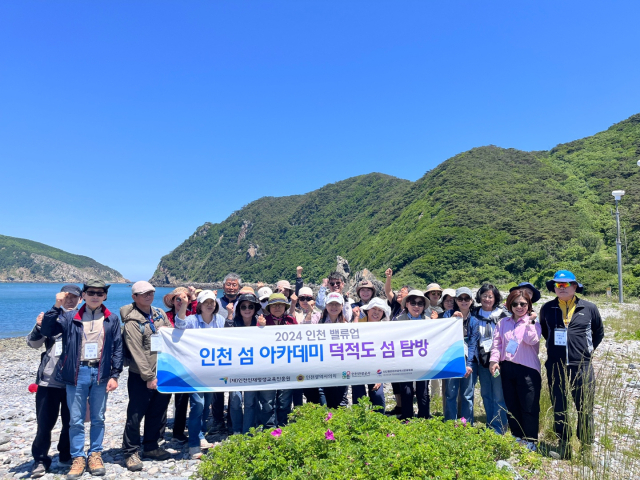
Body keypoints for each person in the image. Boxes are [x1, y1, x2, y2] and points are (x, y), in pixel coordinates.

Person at [41, 280, 123, 480]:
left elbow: (118, 348)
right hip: (77, 373)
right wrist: (56, 306)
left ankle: (95, 454)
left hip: (100, 373)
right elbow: (47, 330)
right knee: (75, 420)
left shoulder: (111, 319)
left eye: (100, 293)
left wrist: (115, 375)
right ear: (83, 295)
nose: (95, 296)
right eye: (91, 292)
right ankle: (78, 457)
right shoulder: (70, 317)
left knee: (98, 418)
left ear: (104, 296)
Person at [540, 270, 604, 460]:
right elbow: (545, 331)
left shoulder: (589, 308)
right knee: (559, 403)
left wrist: (586, 351)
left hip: (581, 364)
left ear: (575, 286)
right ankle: (564, 444)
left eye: (565, 285)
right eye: (557, 285)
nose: (560, 288)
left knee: (584, 405)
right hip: (556, 363)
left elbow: (598, 333)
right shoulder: (547, 308)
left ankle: (586, 447)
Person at [28, 285, 80, 478]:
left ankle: (66, 454)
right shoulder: (51, 317)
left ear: (80, 299)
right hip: (48, 383)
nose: (70, 300)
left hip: (73, 382)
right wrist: (39, 325)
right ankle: (40, 460)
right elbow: (33, 343)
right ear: (59, 297)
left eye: (74, 297)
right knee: (44, 424)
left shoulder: (82, 319)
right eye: (66, 296)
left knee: (71, 422)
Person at [120, 281, 172, 471]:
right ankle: (130, 451)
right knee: (135, 414)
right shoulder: (132, 322)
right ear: (134, 297)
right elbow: (137, 352)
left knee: (157, 413)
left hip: (163, 372)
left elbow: (169, 333)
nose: (148, 296)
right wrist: (149, 377)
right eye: (143, 294)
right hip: (141, 376)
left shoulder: (159, 313)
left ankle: (151, 446)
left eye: (150, 292)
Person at [174, 290, 225, 459]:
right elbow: (179, 325)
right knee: (197, 405)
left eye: (212, 302)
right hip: (194, 371)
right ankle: (193, 444)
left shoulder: (220, 320)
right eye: (206, 302)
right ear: (200, 305)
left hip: (212, 371)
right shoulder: (191, 320)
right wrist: (184, 305)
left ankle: (201, 435)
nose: (210, 305)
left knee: (206, 406)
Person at [490, 289, 542, 452]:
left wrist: (530, 322)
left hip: (528, 370)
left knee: (529, 406)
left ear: (529, 305)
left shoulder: (533, 322)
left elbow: (531, 339)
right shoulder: (503, 323)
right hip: (508, 368)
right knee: (512, 405)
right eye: (515, 304)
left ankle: (531, 439)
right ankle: (517, 436)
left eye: (523, 304)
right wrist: (493, 360)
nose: (519, 307)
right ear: (509, 305)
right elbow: (497, 344)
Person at [228, 293, 275, 434]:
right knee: (235, 401)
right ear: (239, 309)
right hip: (234, 368)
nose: (247, 309)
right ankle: (236, 430)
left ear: (255, 308)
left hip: (252, 369)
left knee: (250, 402)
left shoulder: (260, 322)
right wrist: (229, 317)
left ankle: (247, 431)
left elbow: (266, 343)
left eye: (250, 306)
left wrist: (262, 328)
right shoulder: (232, 322)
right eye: (243, 307)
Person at [471, 284, 509, 434]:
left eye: (490, 296)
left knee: (499, 395)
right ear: (480, 297)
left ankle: (500, 427)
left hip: (498, 362)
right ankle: (490, 423)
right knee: (486, 393)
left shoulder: (503, 315)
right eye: (484, 295)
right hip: (481, 361)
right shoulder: (475, 313)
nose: (487, 299)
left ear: (495, 298)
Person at [162, 287, 196, 443]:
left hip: (185, 361)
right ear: (172, 300)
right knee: (162, 398)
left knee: (182, 399)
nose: (181, 302)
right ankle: (158, 431)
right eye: (178, 299)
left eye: (185, 299)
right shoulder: (165, 316)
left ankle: (178, 431)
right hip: (167, 360)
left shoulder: (192, 317)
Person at [392, 290, 433, 420]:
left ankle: (424, 416)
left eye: (420, 303)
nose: (416, 306)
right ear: (407, 304)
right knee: (406, 389)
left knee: (423, 389)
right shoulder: (397, 321)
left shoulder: (430, 321)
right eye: (413, 303)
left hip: (423, 360)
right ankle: (407, 416)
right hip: (405, 360)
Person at [443, 287, 479, 424]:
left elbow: (473, 344)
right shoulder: (448, 315)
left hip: (467, 359)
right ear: (456, 301)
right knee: (450, 393)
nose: (463, 301)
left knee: (467, 394)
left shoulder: (474, 320)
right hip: (451, 359)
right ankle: (450, 423)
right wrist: (452, 320)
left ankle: (466, 424)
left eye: (467, 298)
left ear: (471, 301)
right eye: (460, 299)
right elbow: (443, 333)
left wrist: (469, 364)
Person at [262, 293, 298, 426]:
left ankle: (283, 426)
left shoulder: (291, 321)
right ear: (269, 307)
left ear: (285, 307)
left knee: (284, 400)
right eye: (274, 305)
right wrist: (260, 327)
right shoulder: (262, 321)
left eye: (280, 305)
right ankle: (269, 428)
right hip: (268, 367)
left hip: (287, 367)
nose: (277, 308)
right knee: (267, 401)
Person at [308, 292, 349, 408]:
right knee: (320, 394)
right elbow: (305, 329)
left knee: (338, 397)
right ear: (326, 305)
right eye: (331, 304)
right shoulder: (318, 317)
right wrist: (309, 312)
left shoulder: (345, 323)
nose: (334, 307)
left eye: (337, 304)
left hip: (338, 365)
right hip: (319, 363)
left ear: (342, 306)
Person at [351, 298, 389, 411]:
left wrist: (380, 376)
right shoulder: (360, 323)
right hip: (358, 366)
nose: (376, 312)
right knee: (358, 396)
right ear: (367, 310)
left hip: (376, 367)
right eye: (374, 309)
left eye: (380, 310)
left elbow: (385, 353)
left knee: (377, 395)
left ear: (383, 314)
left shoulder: (385, 329)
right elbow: (352, 334)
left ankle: (379, 423)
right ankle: (359, 421)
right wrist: (356, 317)